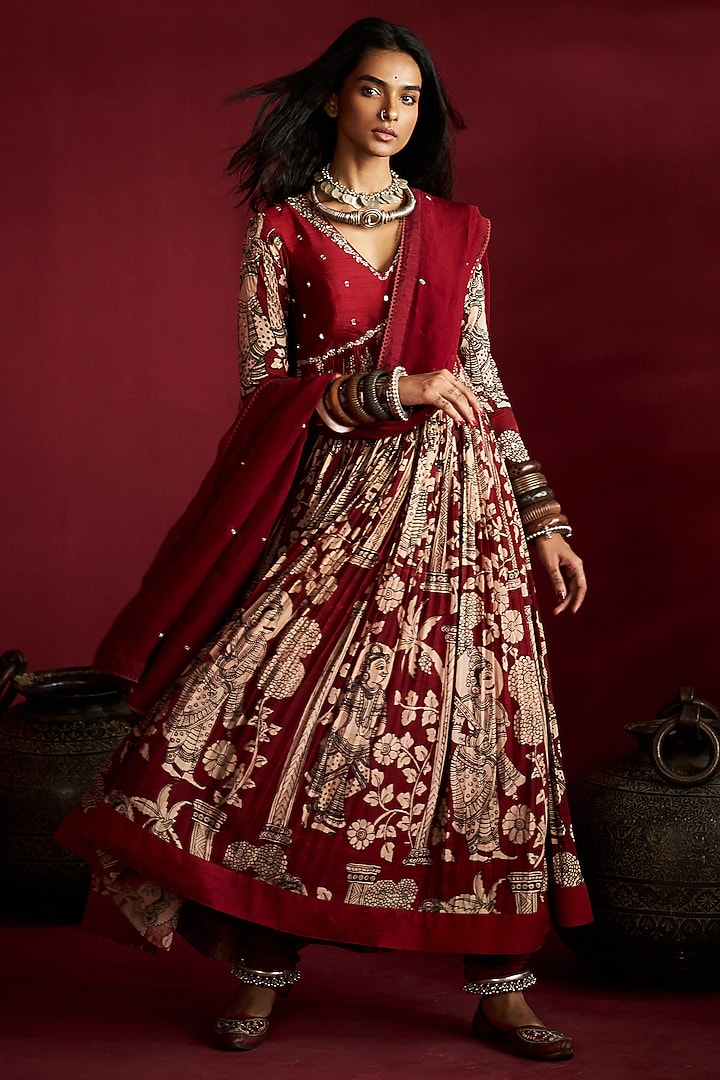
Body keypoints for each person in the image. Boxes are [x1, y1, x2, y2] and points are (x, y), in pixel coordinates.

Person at [58, 17, 591, 1063]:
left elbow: (481, 378)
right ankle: (262, 969)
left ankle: (505, 984)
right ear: (334, 101)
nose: (395, 114)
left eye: (411, 99)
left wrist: (545, 517)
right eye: (374, 92)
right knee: (284, 729)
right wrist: (388, 388)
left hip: (465, 516)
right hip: (337, 505)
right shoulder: (283, 232)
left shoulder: (455, 229)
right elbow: (263, 391)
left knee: (480, 738)